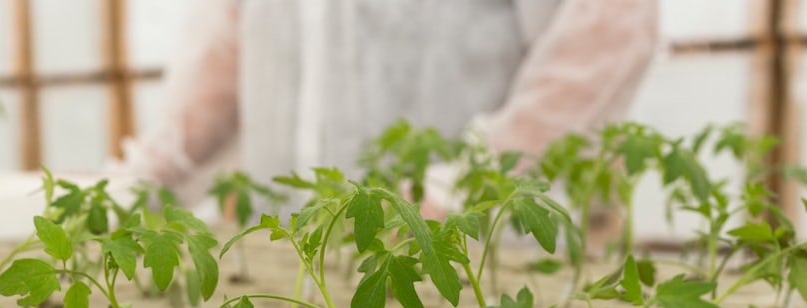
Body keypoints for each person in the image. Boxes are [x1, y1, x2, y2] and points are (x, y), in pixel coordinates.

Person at [119, 0, 660, 205]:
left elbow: (608, 24)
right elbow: (225, 46)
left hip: (466, 248)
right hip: (289, 239)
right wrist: (150, 177)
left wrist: (474, 181)